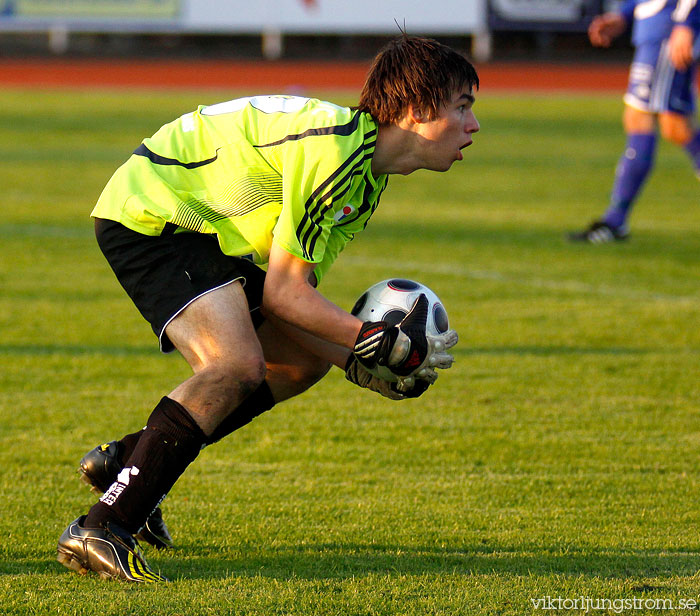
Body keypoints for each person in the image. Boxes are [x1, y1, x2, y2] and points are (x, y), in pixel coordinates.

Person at [56, 35, 480, 582]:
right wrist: (379, 343)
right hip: (155, 212)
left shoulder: (365, 179)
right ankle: (102, 526)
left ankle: (131, 464)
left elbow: (292, 308)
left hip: (206, 231)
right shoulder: (335, 154)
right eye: (462, 108)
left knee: (299, 363)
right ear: (419, 110)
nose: (473, 127)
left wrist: (360, 366)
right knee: (234, 365)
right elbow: (285, 296)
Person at [569, 0, 700, 243]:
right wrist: (627, 14)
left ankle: (615, 221)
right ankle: (615, 221)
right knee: (654, 121)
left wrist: (687, 22)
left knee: (672, 125)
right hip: (655, 27)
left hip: (668, 28)